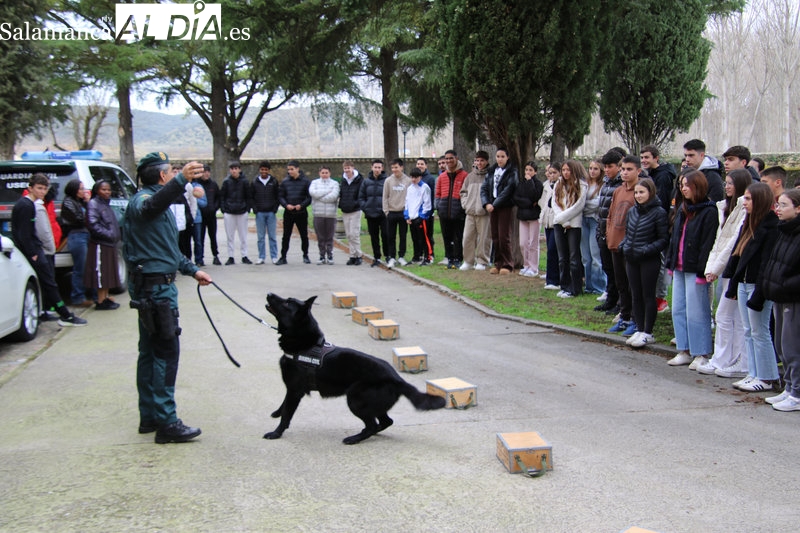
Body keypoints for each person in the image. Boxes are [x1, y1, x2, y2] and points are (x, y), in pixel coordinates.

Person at [123, 152, 212, 443]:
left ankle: (150, 416)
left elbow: (167, 249)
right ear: (163, 176)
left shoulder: (158, 205)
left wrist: (192, 269)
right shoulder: (142, 201)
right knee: (164, 354)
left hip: (157, 286)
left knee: (151, 353)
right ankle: (166, 423)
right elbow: (150, 207)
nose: (175, 173)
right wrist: (180, 180)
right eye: (171, 172)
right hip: (154, 290)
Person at [723, 182, 780, 392]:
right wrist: (734, 283)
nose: (744, 203)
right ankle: (754, 372)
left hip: (758, 285)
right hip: (744, 283)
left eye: (748, 199)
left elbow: (767, 263)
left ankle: (767, 376)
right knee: (748, 330)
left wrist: (759, 293)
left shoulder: (771, 227)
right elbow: (738, 257)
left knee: (760, 330)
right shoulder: (749, 224)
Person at [11, 174, 86, 327]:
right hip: (35, 251)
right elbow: (24, 233)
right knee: (49, 282)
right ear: (30, 188)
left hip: (35, 249)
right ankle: (65, 315)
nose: (42, 192)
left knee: (46, 282)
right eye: (39, 188)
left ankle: (47, 311)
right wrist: (33, 253)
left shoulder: (29, 205)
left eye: (45, 189)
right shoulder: (27, 206)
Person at [697, 169, 752, 377]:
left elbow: (731, 243)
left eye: (731, 183)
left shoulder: (742, 211)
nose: (727, 187)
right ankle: (724, 358)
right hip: (724, 267)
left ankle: (733, 360)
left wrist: (715, 268)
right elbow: (719, 242)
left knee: (731, 316)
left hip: (733, 268)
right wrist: (713, 267)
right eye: (725, 183)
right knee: (726, 316)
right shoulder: (726, 208)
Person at [665, 170, 718, 368]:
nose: (684, 189)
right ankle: (684, 349)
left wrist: (703, 271)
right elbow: (675, 238)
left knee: (697, 312)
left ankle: (701, 352)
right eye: (682, 185)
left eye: (688, 185)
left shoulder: (709, 211)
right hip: (678, 266)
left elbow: (707, 242)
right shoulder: (683, 208)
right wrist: (671, 263)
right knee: (678, 309)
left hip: (695, 269)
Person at [761, 189, 800, 410]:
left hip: (793, 298)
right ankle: (789, 387)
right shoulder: (784, 230)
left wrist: (785, 285)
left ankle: (797, 393)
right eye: (778, 205)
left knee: (793, 346)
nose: (778, 209)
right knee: (782, 346)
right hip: (778, 295)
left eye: (784, 205)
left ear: (798, 208)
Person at [620, 178, 668, 348]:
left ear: (651, 193)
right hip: (631, 258)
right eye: (637, 192)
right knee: (636, 295)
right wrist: (624, 245)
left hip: (649, 260)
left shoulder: (659, 212)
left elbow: (663, 239)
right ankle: (639, 329)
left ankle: (648, 331)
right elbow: (628, 232)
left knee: (648, 296)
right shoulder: (632, 211)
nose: (639, 196)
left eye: (642, 192)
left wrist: (646, 250)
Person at [606, 156, 641, 335]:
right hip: (615, 243)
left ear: (638, 171)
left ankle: (636, 319)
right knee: (621, 283)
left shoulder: (640, 190)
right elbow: (611, 216)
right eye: (623, 169)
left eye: (629, 169)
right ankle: (624, 316)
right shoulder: (618, 191)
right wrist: (609, 235)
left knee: (632, 284)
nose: (625, 173)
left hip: (631, 245)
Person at [640, 144, 676, 313]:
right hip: (650, 219)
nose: (644, 161)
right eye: (642, 158)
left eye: (647, 157)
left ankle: (660, 297)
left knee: (661, 261)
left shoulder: (663, 176)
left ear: (656, 158)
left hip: (659, 222)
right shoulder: (650, 174)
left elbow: (661, 200)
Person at [594, 150, 624, 313]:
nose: (607, 170)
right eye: (605, 167)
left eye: (610, 167)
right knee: (608, 269)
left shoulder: (621, 185)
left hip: (615, 234)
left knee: (618, 271)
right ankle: (611, 299)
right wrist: (600, 232)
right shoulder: (606, 184)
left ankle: (620, 303)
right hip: (603, 232)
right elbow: (602, 211)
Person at [552, 160, 587, 298]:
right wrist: (561, 219)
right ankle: (564, 285)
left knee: (574, 257)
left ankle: (575, 287)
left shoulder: (582, 185)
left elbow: (578, 206)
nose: (566, 173)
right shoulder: (558, 184)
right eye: (564, 170)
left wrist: (564, 218)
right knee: (562, 258)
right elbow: (554, 203)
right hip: (560, 223)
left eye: (569, 170)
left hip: (574, 224)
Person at [85, 180, 122, 310]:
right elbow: (93, 225)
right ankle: (101, 301)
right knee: (102, 273)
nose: (107, 192)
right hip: (100, 243)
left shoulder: (105, 204)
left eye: (108, 190)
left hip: (109, 243)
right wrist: (110, 235)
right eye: (103, 189)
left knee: (108, 273)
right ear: (97, 190)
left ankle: (105, 297)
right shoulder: (94, 204)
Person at [481, 148, 518, 275]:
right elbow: (484, 188)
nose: (500, 159)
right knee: (495, 236)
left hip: (504, 206)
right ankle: (498, 263)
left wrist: (495, 204)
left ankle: (507, 264)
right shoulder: (491, 171)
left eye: (502, 156)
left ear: (507, 157)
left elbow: (508, 189)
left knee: (504, 236)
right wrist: (486, 203)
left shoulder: (512, 172)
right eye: (498, 156)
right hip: (492, 206)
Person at [60, 179, 93, 306]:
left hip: (85, 234)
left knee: (87, 266)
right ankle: (78, 297)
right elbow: (80, 219)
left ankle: (87, 294)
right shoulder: (68, 202)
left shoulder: (79, 202)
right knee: (80, 268)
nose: (83, 191)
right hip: (77, 235)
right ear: (74, 189)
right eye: (80, 189)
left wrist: (87, 203)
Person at [459, 150, 492, 271]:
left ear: (487, 161)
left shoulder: (490, 176)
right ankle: (468, 261)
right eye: (477, 160)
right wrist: (465, 204)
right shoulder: (470, 176)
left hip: (484, 213)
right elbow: (463, 192)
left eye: (482, 160)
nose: (479, 163)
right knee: (467, 237)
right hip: (470, 212)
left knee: (484, 238)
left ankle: (482, 261)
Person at [436, 150, 468, 269]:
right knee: (446, 236)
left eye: (451, 158)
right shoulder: (442, 176)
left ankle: (458, 258)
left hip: (458, 211)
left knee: (458, 236)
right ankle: (449, 258)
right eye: (446, 159)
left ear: (456, 158)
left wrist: (462, 207)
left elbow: (466, 192)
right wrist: (438, 206)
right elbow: (437, 193)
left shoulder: (464, 175)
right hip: (444, 211)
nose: (449, 161)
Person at [276, 160, 312, 265]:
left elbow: (309, 197)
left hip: (301, 212)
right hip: (289, 213)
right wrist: (286, 205)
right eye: (288, 169)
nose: (290, 171)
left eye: (292, 169)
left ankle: (305, 255)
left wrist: (302, 205)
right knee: (286, 235)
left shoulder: (305, 181)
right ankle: (283, 257)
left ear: (297, 169)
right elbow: (280, 196)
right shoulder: (285, 182)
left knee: (304, 235)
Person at [513, 161, 544, 277]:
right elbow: (516, 197)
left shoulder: (538, 184)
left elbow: (535, 196)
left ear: (535, 172)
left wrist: (530, 182)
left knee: (533, 243)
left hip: (534, 217)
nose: (528, 172)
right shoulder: (521, 183)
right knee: (523, 243)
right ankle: (526, 265)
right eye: (526, 170)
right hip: (523, 215)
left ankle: (533, 267)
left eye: (531, 170)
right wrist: (528, 203)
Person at [581, 159, 606, 294]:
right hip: (583, 220)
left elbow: (598, 203)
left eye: (595, 168)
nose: (592, 171)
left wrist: (585, 204)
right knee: (585, 256)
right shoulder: (585, 184)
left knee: (595, 254)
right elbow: (579, 200)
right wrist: (584, 204)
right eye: (590, 168)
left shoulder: (603, 185)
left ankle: (599, 285)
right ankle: (589, 285)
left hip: (595, 220)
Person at [219, 162, 251, 265]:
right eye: (232, 168)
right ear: (230, 170)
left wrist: (247, 208)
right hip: (229, 212)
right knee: (230, 236)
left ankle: (244, 255)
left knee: (243, 236)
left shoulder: (245, 182)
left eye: (236, 168)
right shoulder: (226, 182)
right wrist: (224, 209)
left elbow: (248, 196)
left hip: (242, 212)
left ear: (239, 170)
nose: (234, 170)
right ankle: (231, 256)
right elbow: (222, 196)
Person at [382, 158, 412, 268]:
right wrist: (386, 211)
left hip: (403, 212)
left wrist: (408, 212)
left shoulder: (408, 181)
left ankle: (401, 256)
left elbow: (410, 197)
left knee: (403, 235)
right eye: (392, 168)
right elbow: (385, 197)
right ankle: (392, 257)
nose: (394, 169)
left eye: (396, 167)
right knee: (391, 236)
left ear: (401, 167)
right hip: (391, 212)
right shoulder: (388, 181)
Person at [250, 161, 280, 265]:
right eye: (262, 169)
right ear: (259, 170)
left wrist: (275, 209)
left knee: (272, 236)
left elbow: (277, 196)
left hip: (271, 213)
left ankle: (274, 256)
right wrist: (255, 209)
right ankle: (261, 257)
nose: (264, 171)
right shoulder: (255, 182)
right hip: (260, 213)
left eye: (266, 170)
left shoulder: (274, 181)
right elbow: (251, 197)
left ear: (269, 170)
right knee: (261, 237)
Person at [309, 165, 340, 264]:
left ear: (329, 173)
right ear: (319, 173)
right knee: (320, 237)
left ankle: (330, 255)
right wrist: (327, 192)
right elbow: (313, 193)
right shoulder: (314, 183)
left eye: (326, 173)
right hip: (318, 214)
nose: (324, 174)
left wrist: (320, 197)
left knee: (329, 237)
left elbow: (334, 196)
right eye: (323, 173)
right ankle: (322, 255)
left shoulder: (335, 183)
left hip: (331, 215)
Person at [359, 160, 388, 267]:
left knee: (385, 235)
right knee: (374, 237)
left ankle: (387, 255)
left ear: (382, 168)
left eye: (379, 167)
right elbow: (361, 197)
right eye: (375, 167)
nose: (377, 169)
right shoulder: (366, 182)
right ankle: (377, 257)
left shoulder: (386, 181)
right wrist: (365, 207)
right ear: (372, 168)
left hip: (383, 214)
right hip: (370, 214)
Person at [405, 168, 433, 265]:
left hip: (421, 218)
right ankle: (417, 256)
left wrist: (422, 216)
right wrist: (407, 216)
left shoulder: (425, 187)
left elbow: (427, 203)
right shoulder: (410, 188)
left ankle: (428, 257)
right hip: (412, 217)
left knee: (424, 238)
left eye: (416, 177)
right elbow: (407, 202)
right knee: (415, 239)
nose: (413, 179)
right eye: (412, 177)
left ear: (420, 177)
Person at [339, 160, 364, 265]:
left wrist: (356, 203)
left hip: (355, 210)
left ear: (353, 168)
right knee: (349, 234)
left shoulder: (359, 179)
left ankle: (359, 255)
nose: (347, 170)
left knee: (354, 234)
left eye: (348, 168)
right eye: (345, 168)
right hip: (345, 209)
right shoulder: (343, 180)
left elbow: (361, 194)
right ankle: (352, 255)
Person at [540, 163, 560, 289]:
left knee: (554, 250)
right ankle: (550, 278)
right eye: (549, 172)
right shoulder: (546, 185)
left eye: (554, 173)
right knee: (550, 250)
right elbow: (543, 203)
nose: (551, 175)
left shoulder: (561, 185)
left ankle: (555, 280)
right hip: (547, 220)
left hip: (556, 221)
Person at [197, 164, 221, 265]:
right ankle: (200, 258)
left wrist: (214, 208)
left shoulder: (213, 184)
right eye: (204, 172)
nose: (206, 174)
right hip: (201, 216)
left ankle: (215, 256)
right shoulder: (197, 185)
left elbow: (218, 198)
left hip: (211, 215)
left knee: (213, 236)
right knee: (200, 238)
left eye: (208, 171)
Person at [416, 158, 437, 258]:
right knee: (418, 235)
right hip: (416, 212)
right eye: (418, 164)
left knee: (428, 234)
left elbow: (432, 195)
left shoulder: (430, 179)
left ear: (426, 166)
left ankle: (430, 254)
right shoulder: (414, 179)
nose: (420, 166)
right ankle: (419, 254)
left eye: (422, 164)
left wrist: (430, 210)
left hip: (427, 212)